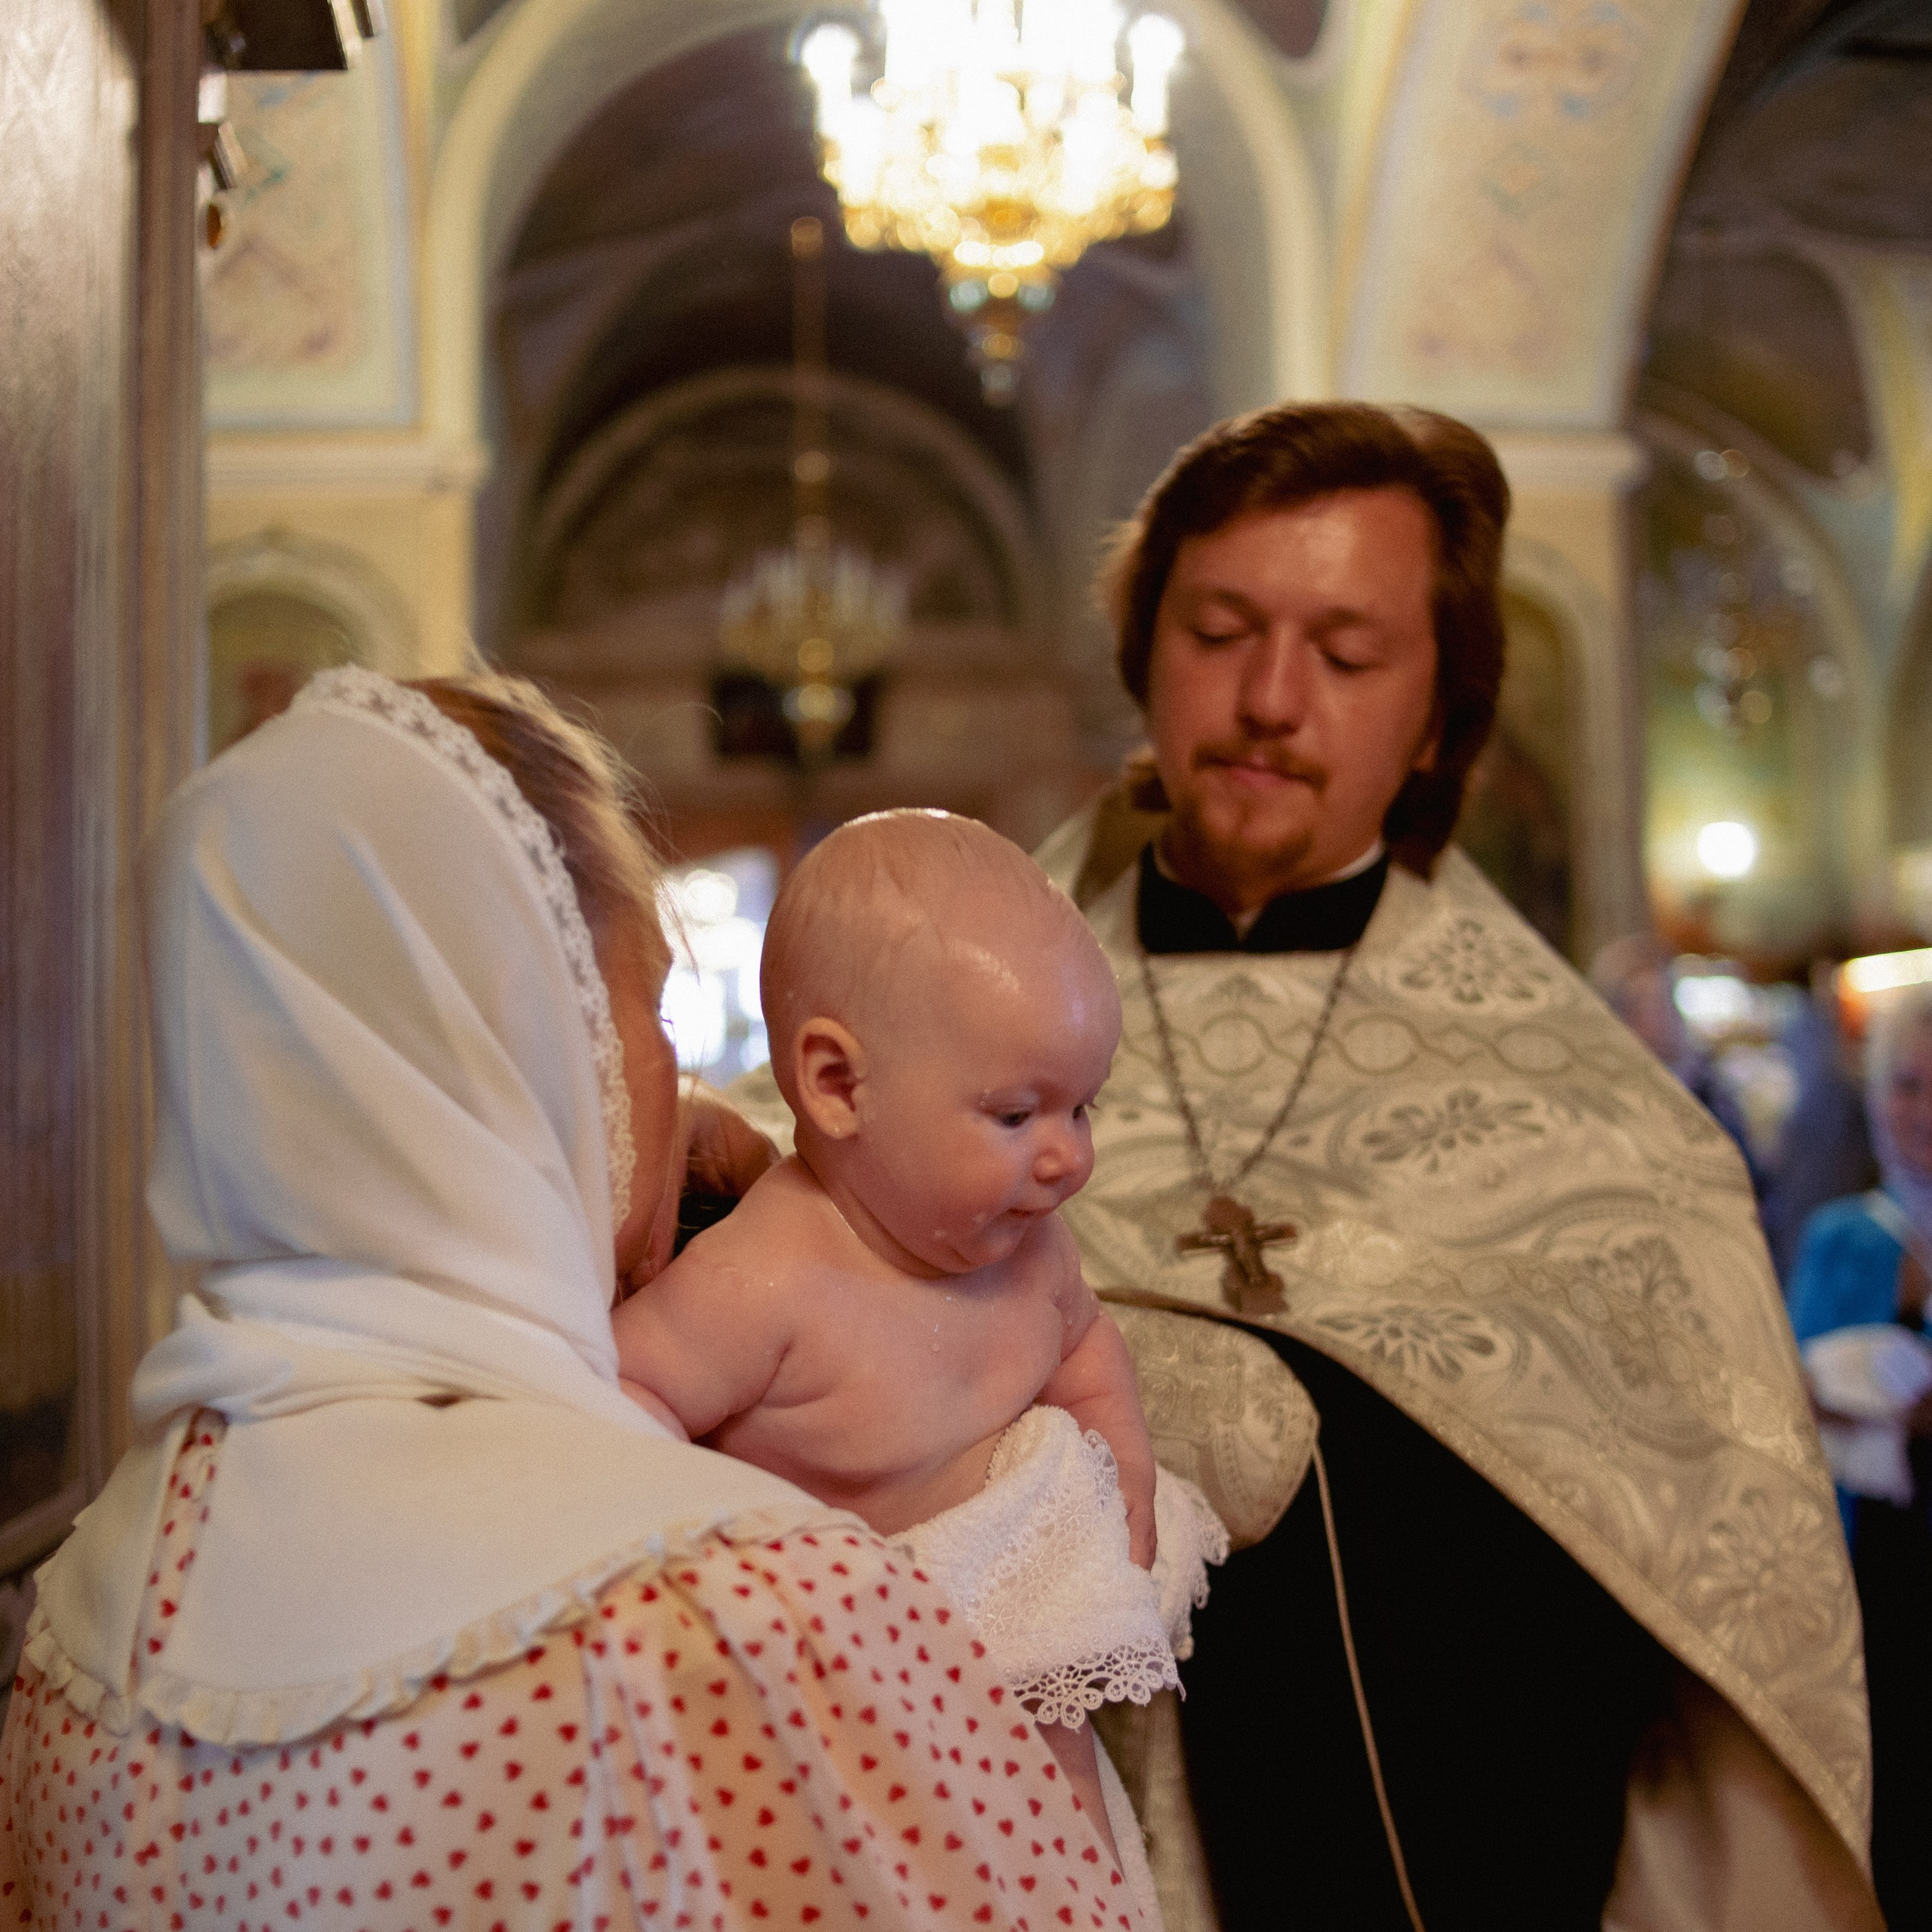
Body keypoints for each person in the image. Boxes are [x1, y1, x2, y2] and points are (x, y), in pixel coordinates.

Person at [0, 667, 1137, 1930]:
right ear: (538, 1038)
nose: (677, 1071)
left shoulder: (90, 1619)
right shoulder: (737, 1616)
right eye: (649, 1004)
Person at [1026, 401, 1875, 1931]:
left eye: (1346, 655)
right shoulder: (961, 1020)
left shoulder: (1603, 1128)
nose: (1269, 699)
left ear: (1437, 721)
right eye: (1218, 631)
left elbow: (1705, 1622)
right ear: (1142, 652)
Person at [615, 811, 1226, 1899]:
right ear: (838, 1086)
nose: (1068, 1158)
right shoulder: (764, 1282)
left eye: (1083, 1107)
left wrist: (1117, 1469)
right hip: (826, 1691)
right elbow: (625, 1396)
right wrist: (708, 1571)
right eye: (1017, 1114)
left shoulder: (1031, 1252)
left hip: (1017, 1664)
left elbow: (1086, 1344)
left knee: (1072, 1860)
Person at [1789, 988, 1932, 1929]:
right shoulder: (1841, 1237)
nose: (1922, 1109)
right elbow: (1784, 1398)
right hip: (1873, 1567)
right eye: (1906, 1085)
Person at [1589, 933, 1766, 1198]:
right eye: (1640, 1003)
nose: (1657, 1017)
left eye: (1662, 999)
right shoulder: (1599, 1100)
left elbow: (1747, 1179)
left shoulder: (1707, 1090)